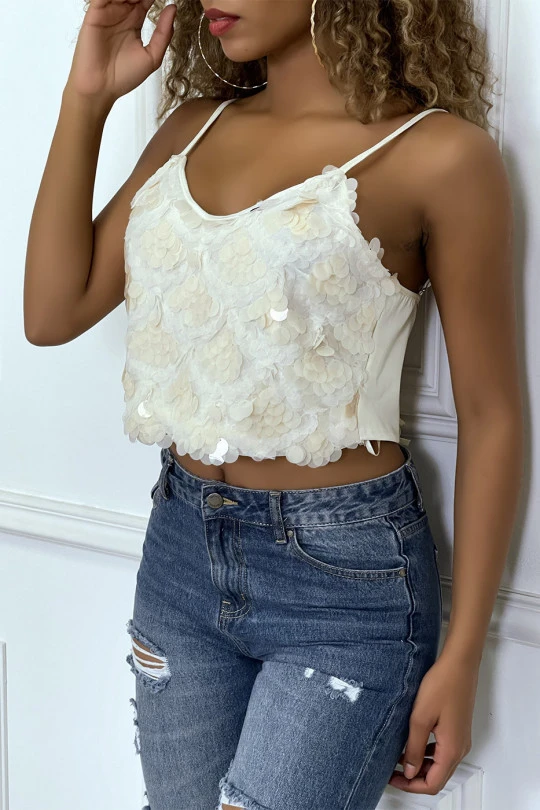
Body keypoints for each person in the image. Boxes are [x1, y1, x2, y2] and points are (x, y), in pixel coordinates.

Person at [24, 1, 524, 809]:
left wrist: (464, 653)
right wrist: (86, 99)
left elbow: (492, 414)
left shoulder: (439, 157)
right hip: (181, 556)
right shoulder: (193, 127)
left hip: (345, 583)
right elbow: (52, 313)